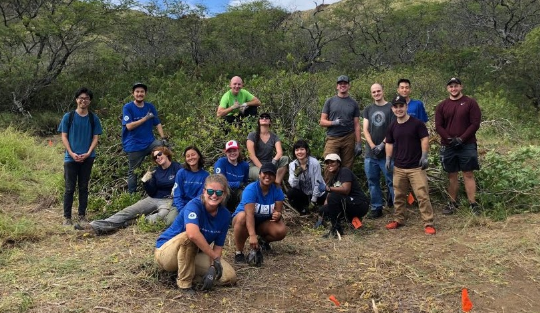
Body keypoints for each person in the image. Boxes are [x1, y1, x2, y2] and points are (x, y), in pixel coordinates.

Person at [154, 174, 237, 293]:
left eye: (218, 193)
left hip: (193, 254)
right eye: (210, 191)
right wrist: (215, 258)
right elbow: (192, 234)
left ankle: (192, 275)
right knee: (188, 237)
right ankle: (184, 284)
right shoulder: (194, 205)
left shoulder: (225, 215)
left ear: (224, 195)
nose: (214, 195)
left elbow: (218, 246)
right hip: (166, 252)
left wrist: (213, 267)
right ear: (204, 191)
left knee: (229, 277)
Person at [74, 147, 182, 234]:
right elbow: (152, 192)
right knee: (128, 211)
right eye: (155, 157)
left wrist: (176, 188)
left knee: (161, 216)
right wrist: (146, 182)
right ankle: (95, 226)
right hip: (153, 198)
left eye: (159, 154)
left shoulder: (177, 167)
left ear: (166, 154)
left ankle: (132, 223)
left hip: (168, 200)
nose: (157, 158)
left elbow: (184, 181)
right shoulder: (155, 171)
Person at [384, 95, 436, 235]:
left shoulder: (417, 123)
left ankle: (428, 223)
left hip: (416, 167)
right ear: (392, 109)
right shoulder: (392, 126)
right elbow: (389, 143)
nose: (399, 109)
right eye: (396, 107)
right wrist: (388, 159)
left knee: (422, 195)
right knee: (399, 195)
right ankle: (399, 219)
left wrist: (424, 156)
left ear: (406, 107)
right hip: (399, 167)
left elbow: (424, 138)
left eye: (401, 106)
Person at [435, 78, 482, 215]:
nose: (453, 89)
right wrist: (450, 139)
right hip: (448, 145)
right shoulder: (442, 105)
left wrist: (462, 139)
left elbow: (475, 123)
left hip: (467, 144)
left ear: (461, 87)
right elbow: (438, 125)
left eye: (456, 86)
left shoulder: (470, 103)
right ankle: (452, 203)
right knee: (452, 175)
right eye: (451, 87)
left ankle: (473, 204)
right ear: (447, 89)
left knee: (468, 173)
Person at [58, 87, 103, 225]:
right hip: (70, 158)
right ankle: (67, 217)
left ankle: (82, 215)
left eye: (87, 98)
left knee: (83, 187)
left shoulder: (93, 118)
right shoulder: (68, 117)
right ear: (77, 99)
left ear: (89, 101)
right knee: (69, 188)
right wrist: (71, 153)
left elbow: (96, 138)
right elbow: (64, 136)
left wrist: (88, 152)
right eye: (81, 98)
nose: (84, 100)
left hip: (87, 158)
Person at [232, 163, 287, 263]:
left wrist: (278, 215)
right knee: (242, 217)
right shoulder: (251, 189)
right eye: (265, 173)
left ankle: (263, 241)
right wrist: (252, 235)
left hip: (262, 222)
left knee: (281, 230)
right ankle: (239, 252)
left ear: (275, 177)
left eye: (271, 174)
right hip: (245, 219)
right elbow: (249, 215)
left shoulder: (277, 190)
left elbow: (278, 212)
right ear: (259, 174)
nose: (267, 176)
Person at [122, 82, 167, 193]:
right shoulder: (128, 107)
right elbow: (129, 126)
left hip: (150, 143)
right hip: (134, 145)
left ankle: (163, 185)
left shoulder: (150, 107)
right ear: (133, 94)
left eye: (142, 92)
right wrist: (145, 118)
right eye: (137, 92)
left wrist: (163, 138)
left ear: (145, 93)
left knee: (163, 151)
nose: (139, 94)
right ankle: (131, 196)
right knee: (133, 171)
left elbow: (157, 123)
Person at [363, 83, 395, 219]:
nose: (376, 93)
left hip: (387, 153)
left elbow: (393, 129)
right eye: (374, 92)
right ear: (371, 94)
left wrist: (382, 144)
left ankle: (396, 207)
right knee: (372, 181)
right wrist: (372, 145)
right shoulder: (368, 109)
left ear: (383, 91)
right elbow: (365, 129)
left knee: (392, 181)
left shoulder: (391, 108)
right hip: (371, 154)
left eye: (378, 91)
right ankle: (376, 208)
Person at [318, 154, 369, 238]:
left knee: (333, 197)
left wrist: (328, 188)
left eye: (332, 162)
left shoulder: (344, 171)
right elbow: (328, 198)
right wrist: (321, 216)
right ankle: (352, 220)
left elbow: (346, 190)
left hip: (359, 204)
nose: (329, 164)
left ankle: (336, 229)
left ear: (338, 163)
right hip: (348, 203)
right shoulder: (333, 179)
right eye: (327, 163)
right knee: (324, 209)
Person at [319, 75, 362, 170]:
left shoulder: (353, 103)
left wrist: (359, 143)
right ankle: (329, 185)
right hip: (332, 138)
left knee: (347, 167)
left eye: (345, 83)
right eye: (340, 84)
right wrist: (334, 123)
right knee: (329, 165)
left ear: (349, 86)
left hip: (349, 138)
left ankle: (345, 185)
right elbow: (322, 121)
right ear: (337, 86)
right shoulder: (330, 101)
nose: (343, 85)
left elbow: (357, 124)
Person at [168, 146, 210, 224]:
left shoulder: (205, 175)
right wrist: (183, 210)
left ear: (199, 156)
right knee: (170, 221)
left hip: (196, 205)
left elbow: (200, 197)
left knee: (197, 222)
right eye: (188, 156)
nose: (191, 158)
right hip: (180, 206)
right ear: (186, 159)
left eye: (193, 154)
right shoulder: (181, 173)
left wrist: (191, 209)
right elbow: (177, 195)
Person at [246, 112, 289, 186]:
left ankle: (276, 184)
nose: (264, 118)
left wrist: (273, 162)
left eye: (267, 117)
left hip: (269, 163)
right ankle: (272, 186)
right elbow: (251, 156)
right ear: (259, 121)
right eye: (262, 117)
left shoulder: (274, 137)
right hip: (254, 166)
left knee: (285, 159)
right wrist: (264, 169)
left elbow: (279, 153)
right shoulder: (252, 135)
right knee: (265, 175)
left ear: (270, 121)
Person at [287, 139, 326, 215]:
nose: (299, 152)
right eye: (297, 150)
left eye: (302, 149)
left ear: (307, 150)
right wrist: (296, 175)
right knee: (291, 193)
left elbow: (317, 183)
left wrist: (313, 200)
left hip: (317, 194)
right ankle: (302, 209)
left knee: (328, 197)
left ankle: (319, 209)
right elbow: (293, 185)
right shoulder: (292, 165)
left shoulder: (314, 163)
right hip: (304, 194)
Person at [213, 140, 249, 212]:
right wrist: (238, 184)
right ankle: (221, 216)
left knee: (245, 194)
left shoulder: (244, 165)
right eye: (229, 151)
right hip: (225, 190)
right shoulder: (221, 162)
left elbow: (245, 182)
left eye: (234, 150)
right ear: (226, 152)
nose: (232, 153)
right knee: (222, 193)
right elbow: (220, 182)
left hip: (238, 191)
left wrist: (243, 185)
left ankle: (242, 215)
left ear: (238, 150)